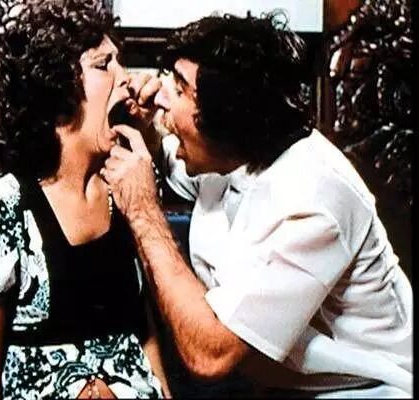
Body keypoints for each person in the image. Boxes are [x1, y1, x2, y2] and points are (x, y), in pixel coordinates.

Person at [103, 11, 413, 398]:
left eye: (180, 89)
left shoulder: (313, 201)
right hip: (283, 386)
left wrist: (143, 212)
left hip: (367, 390)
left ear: (225, 121)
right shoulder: (236, 152)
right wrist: (148, 131)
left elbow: (210, 355)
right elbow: (175, 166)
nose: (160, 96)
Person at [0, 1, 171, 398]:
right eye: (104, 65)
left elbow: (145, 334)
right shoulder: (4, 205)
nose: (126, 78)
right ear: (58, 90)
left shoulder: (126, 188)